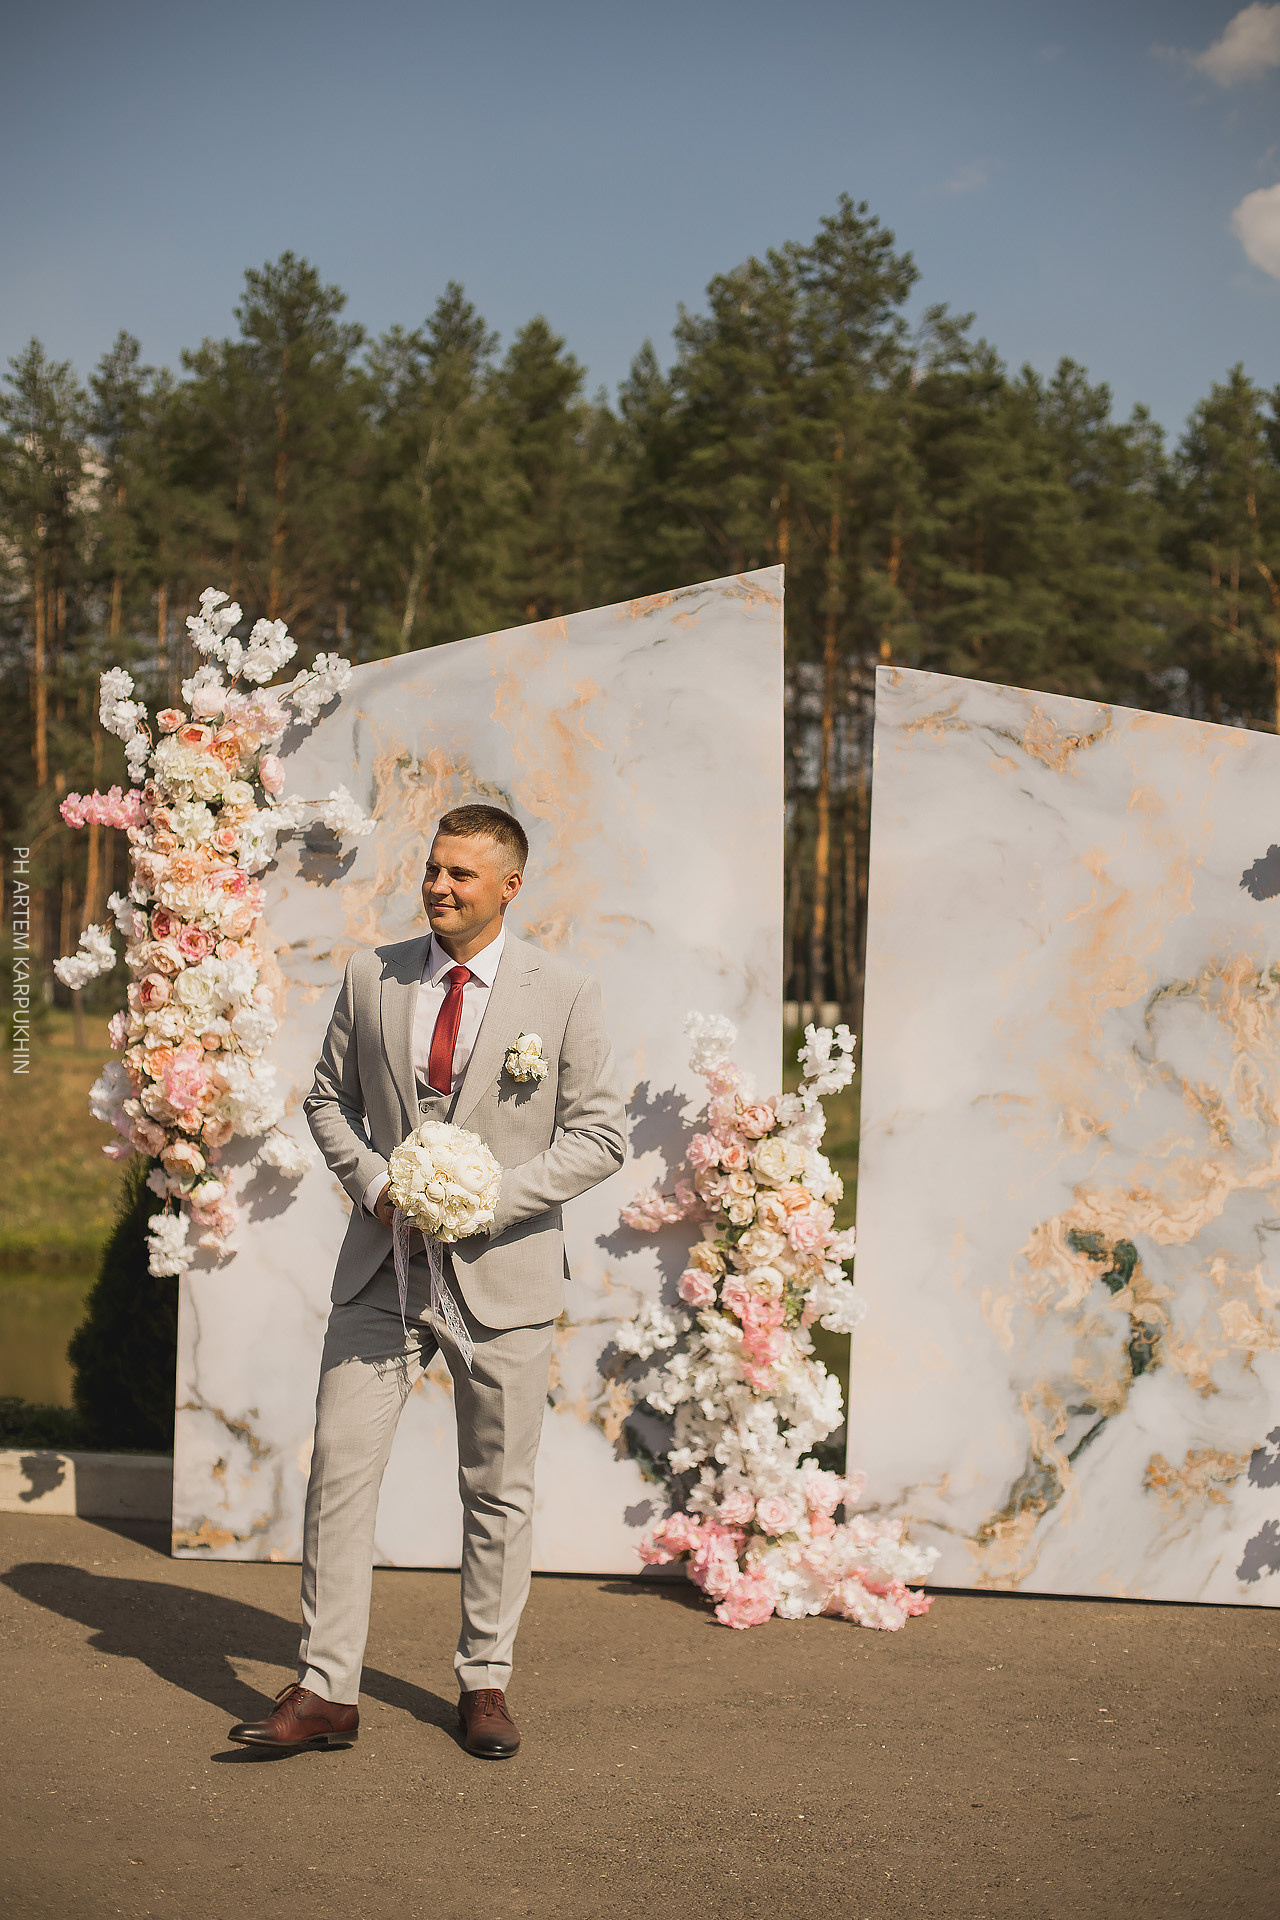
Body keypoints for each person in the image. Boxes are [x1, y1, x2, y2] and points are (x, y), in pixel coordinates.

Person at [228, 803, 627, 1758]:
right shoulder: (374, 975)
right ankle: (327, 1690)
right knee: (340, 1474)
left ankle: (485, 1682)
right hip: (383, 1270)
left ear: (510, 886)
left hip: (506, 1274)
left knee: (496, 1489)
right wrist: (373, 1186)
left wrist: (484, 1200)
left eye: (462, 874)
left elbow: (601, 1135)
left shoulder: (565, 992)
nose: (440, 887)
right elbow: (329, 1100)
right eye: (433, 869)